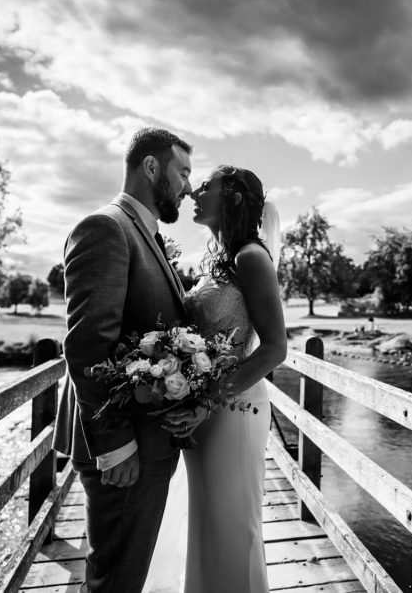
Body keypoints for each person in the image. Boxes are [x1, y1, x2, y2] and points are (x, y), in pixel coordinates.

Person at [52, 127, 193, 593]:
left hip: (146, 445)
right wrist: (115, 445)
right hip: (125, 450)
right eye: (183, 172)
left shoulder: (143, 234)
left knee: (124, 577)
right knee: (115, 581)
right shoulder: (106, 228)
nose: (189, 186)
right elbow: (89, 344)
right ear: (151, 168)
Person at [149, 165, 287, 593]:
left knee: (230, 525)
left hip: (233, 409)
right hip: (204, 407)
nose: (194, 191)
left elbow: (274, 347)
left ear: (235, 197)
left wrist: (204, 400)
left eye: (206, 185)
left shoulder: (251, 257)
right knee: (206, 518)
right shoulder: (221, 260)